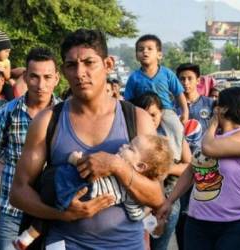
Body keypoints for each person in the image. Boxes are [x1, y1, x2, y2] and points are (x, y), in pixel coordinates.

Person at [10, 29, 164, 250]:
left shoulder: (137, 119)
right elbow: (18, 193)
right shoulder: (47, 121)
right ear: (63, 71)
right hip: (64, 243)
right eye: (72, 65)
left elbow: (157, 197)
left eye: (89, 62)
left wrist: (116, 166)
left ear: (108, 64)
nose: (80, 73)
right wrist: (61, 214)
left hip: (126, 245)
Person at [157, 87, 240, 250]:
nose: (214, 107)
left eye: (218, 105)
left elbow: (208, 148)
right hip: (197, 222)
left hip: (235, 225)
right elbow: (192, 170)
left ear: (225, 109)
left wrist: (213, 123)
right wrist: (169, 201)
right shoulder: (212, 136)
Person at [14, 134, 173, 250]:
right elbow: (90, 167)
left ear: (140, 166)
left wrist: (146, 212)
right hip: (71, 188)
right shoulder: (113, 163)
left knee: (55, 201)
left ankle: (27, 237)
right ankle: (28, 237)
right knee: (54, 201)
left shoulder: (132, 187)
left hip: (76, 188)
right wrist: (76, 160)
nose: (124, 146)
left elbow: (143, 208)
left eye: (130, 148)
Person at [0, 47, 61, 249]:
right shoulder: (8, 113)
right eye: (34, 77)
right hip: (12, 213)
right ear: (25, 77)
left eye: (47, 77)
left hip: (53, 216)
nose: (41, 85)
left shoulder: (66, 116)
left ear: (56, 79)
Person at [132, 92, 191, 250]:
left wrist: (165, 167)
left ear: (161, 114)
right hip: (137, 207)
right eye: (144, 115)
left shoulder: (173, 136)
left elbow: (190, 167)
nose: (149, 119)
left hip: (167, 203)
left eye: (153, 114)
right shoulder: (131, 137)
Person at [124, 34, 189, 159]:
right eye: (141, 49)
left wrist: (185, 111)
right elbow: (128, 100)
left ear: (159, 54)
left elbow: (178, 93)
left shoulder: (167, 73)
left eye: (149, 49)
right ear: (136, 55)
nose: (145, 52)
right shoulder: (134, 77)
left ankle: (174, 157)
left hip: (165, 110)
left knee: (177, 128)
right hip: (143, 113)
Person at [175, 63, 214, 249]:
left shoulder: (210, 105)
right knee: (182, 215)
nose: (186, 82)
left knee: (204, 213)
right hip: (180, 169)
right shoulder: (172, 107)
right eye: (182, 79)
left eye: (190, 78)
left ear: (198, 80)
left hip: (205, 168)